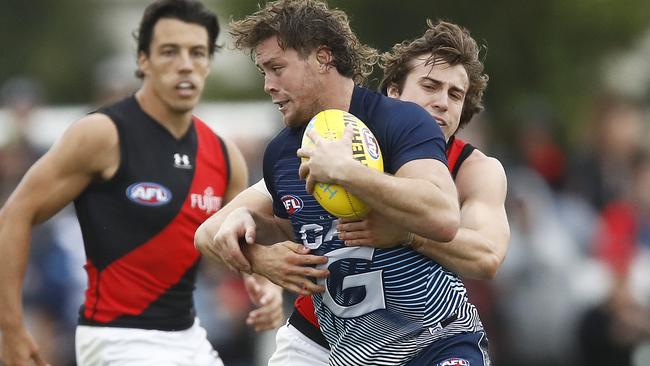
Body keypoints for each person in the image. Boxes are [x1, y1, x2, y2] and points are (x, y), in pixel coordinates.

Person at [198, 1, 498, 365]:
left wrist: (353, 176)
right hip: (340, 344)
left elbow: (455, 226)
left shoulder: (414, 131)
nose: (268, 85)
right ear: (394, 89)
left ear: (323, 58)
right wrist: (259, 256)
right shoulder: (284, 152)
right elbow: (213, 232)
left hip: (434, 340)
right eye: (430, 86)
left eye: (277, 69)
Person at [0, 1, 282, 365]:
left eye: (197, 52)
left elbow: (237, 248)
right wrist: (11, 327)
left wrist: (264, 283)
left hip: (188, 336)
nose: (185, 64)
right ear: (144, 61)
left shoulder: (224, 155)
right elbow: (14, 215)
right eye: (169, 51)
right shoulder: (102, 134)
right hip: (115, 338)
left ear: (209, 62)